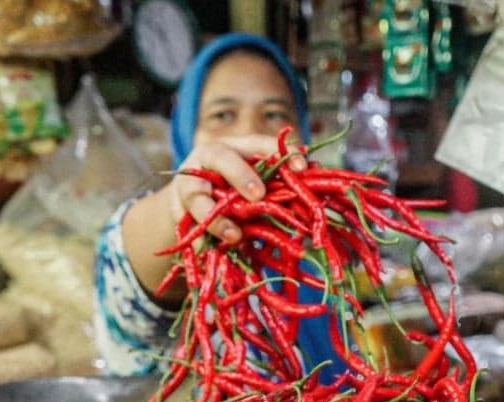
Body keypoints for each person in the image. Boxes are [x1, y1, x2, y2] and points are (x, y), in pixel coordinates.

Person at [92, 32, 344, 382]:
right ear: (186, 133)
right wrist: (183, 203)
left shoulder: (316, 261)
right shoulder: (157, 233)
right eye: (222, 115)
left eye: (274, 114)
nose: (248, 132)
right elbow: (131, 257)